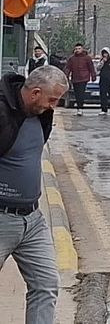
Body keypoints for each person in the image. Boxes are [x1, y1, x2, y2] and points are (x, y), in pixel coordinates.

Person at [0, 64, 70, 324]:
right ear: (35, 92)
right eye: (52, 99)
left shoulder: (42, 114)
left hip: (33, 219)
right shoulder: (2, 112)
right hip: (2, 218)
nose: (54, 106)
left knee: (46, 284)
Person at [63, 44, 95, 117]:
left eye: (79, 48)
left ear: (82, 49)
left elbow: (91, 67)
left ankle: (80, 108)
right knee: (77, 93)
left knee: (81, 93)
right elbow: (68, 67)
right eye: (76, 49)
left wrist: (93, 76)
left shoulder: (87, 58)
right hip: (75, 78)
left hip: (84, 78)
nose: (77, 50)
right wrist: (66, 75)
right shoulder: (72, 58)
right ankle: (79, 107)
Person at [97, 48, 110, 115]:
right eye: (103, 53)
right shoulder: (101, 60)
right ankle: (104, 109)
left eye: (106, 53)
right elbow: (98, 68)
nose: (104, 55)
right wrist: (102, 62)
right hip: (103, 80)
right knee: (103, 95)